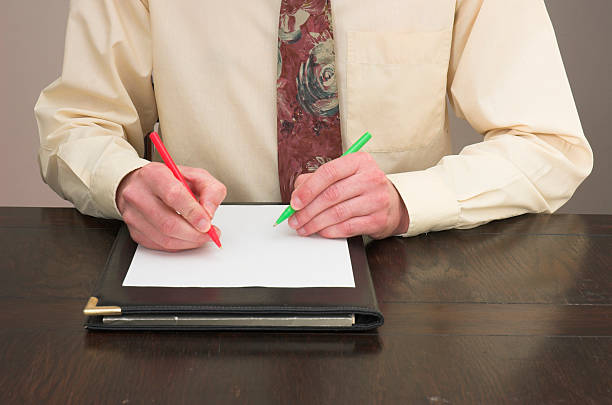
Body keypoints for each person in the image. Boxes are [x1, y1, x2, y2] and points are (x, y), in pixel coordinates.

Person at [35, 0, 592, 252]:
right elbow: (76, 123)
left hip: (406, 290)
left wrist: (406, 200)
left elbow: (549, 144)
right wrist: (126, 181)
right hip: (204, 273)